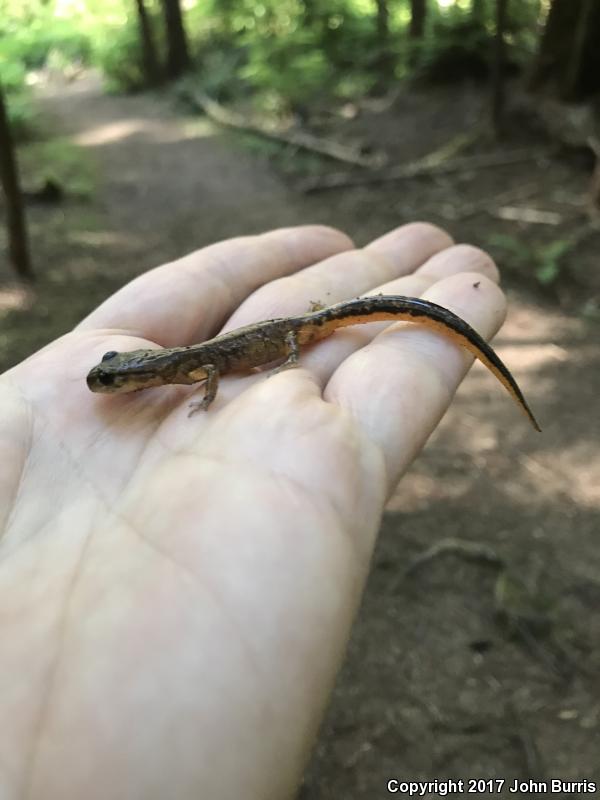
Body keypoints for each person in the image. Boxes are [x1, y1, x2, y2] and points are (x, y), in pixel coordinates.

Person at [0, 222, 504, 799]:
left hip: (295, 330)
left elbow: (211, 372)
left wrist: (264, 369)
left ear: (141, 374)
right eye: (112, 376)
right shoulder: (173, 369)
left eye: (115, 376)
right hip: (288, 330)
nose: (109, 383)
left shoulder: (185, 367)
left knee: (342, 321)